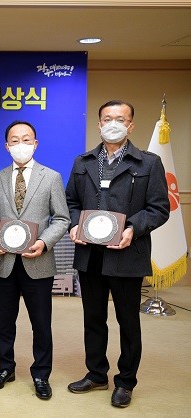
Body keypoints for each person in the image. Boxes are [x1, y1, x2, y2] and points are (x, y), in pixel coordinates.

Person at [65, 100, 169, 408]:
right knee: (93, 318)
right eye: (107, 118)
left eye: (120, 119)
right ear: (99, 125)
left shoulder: (148, 163)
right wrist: (74, 224)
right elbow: (71, 202)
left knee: (128, 321)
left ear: (130, 125)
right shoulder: (83, 162)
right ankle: (97, 373)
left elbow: (159, 208)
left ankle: (125, 381)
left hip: (127, 254)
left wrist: (132, 228)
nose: (113, 123)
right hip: (91, 255)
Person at [0, 121, 69, 400]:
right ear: (7, 146)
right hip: (5, 262)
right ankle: (5, 368)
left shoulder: (51, 177)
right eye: (15, 140)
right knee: (3, 321)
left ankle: (41, 374)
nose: (21, 144)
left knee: (41, 323)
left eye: (26, 139)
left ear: (35, 143)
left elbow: (62, 218)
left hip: (38, 262)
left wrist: (44, 242)